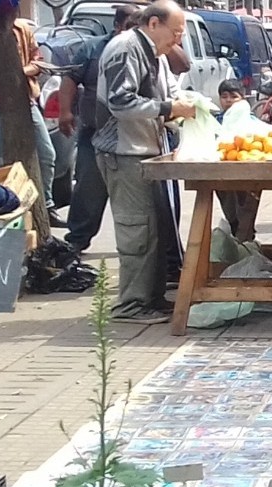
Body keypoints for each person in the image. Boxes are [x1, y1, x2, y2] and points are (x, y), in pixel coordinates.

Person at [93, 0, 196, 324]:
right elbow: (121, 102)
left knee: (155, 229)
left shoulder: (156, 54)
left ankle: (151, 298)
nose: (177, 40)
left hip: (148, 150)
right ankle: (131, 305)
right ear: (153, 24)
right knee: (137, 230)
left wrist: (183, 104)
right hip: (122, 152)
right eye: (175, 32)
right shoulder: (124, 48)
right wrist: (168, 108)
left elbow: (171, 91)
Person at [0, 20, 64, 227]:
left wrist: (19, 71)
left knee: (46, 154)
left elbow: (38, 62)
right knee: (1, 159)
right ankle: (7, 206)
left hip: (26, 101)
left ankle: (46, 206)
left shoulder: (23, 30)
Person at [58, 3, 137, 253]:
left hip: (134, 138)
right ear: (117, 26)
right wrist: (65, 112)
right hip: (95, 132)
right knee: (88, 189)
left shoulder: (149, 49)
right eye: (130, 27)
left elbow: (183, 65)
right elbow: (70, 78)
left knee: (137, 199)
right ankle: (76, 242)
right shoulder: (92, 49)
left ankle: (145, 250)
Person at [214, 78, 261, 241]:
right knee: (228, 205)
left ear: (243, 98)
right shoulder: (215, 121)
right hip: (220, 172)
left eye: (233, 96)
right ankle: (237, 231)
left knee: (246, 206)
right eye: (224, 96)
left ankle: (246, 237)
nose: (228, 101)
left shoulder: (252, 121)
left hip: (247, 172)